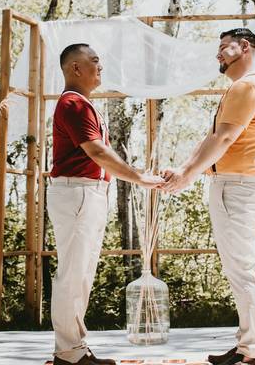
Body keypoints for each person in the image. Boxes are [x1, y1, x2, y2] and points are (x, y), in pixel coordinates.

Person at [161, 27, 255, 365]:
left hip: (238, 187)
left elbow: (224, 140)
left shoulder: (248, 87)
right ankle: (246, 347)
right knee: (240, 269)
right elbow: (213, 136)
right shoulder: (248, 88)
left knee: (243, 271)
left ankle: (253, 354)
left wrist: (187, 175)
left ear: (245, 47)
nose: (218, 55)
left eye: (224, 48)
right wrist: (184, 168)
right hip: (241, 185)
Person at [49, 43, 163, 365]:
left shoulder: (83, 104)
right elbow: (97, 153)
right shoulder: (73, 104)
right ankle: (69, 353)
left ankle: (75, 350)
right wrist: (139, 178)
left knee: (82, 273)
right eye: (95, 61)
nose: (101, 67)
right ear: (75, 68)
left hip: (89, 192)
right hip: (77, 192)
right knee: (72, 274)